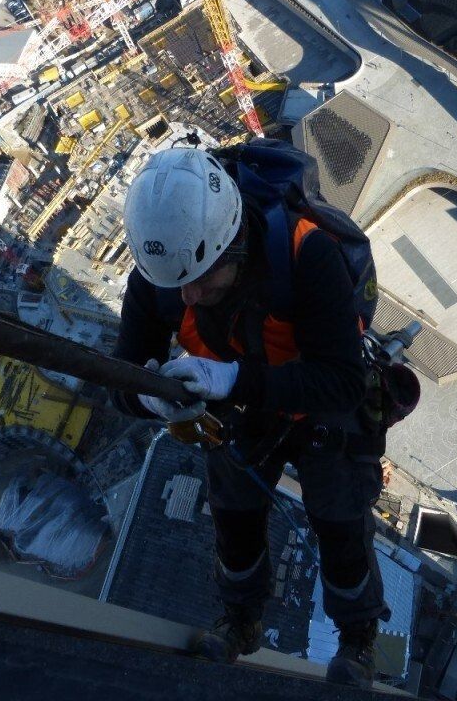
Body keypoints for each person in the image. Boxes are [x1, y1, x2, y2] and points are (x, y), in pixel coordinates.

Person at [111, 147, 389, 688]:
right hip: (240, 410)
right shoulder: (164, 272)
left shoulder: (307, 253)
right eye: (179, 286)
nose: (189, 296)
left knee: (339, 520)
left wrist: (237, 381)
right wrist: (149, 397)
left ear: (234, 243)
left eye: (206, 282)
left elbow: (342, 381)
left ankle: (357, 640)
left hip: (316, 406)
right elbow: (121, 372)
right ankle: (240, 622)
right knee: (234, 518)